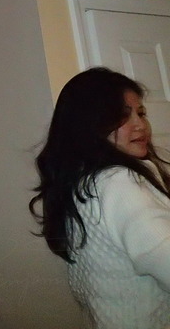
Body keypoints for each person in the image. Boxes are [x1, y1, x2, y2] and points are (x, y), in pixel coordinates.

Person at [29, 67, 170, 328]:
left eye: (141, 113)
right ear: (89, 124)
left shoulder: (81, 184)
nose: (140, 124)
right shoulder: (119, 181)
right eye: (122, 115)